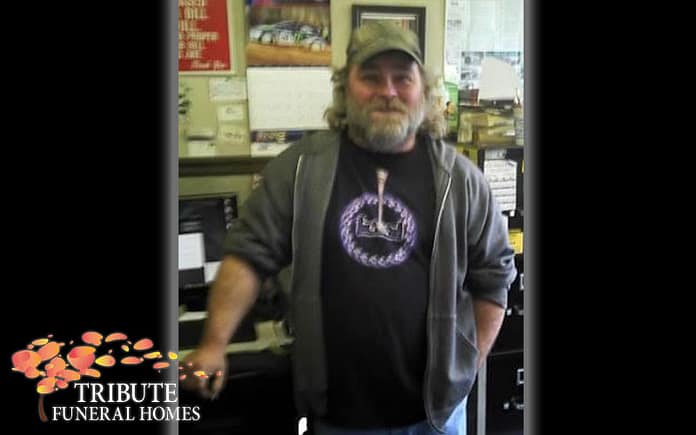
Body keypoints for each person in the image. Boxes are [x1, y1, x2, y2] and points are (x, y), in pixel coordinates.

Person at [181, 21, 517, 435]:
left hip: (435, 417)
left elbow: (494, 277)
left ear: (424, 91)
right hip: (337, 416)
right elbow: (248, 256)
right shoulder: (299, 169)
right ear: (345, 88)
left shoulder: (461, 180)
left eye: (402, 78)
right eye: (371, 77)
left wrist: (466, 364)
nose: (388, 91)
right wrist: (213, 345)